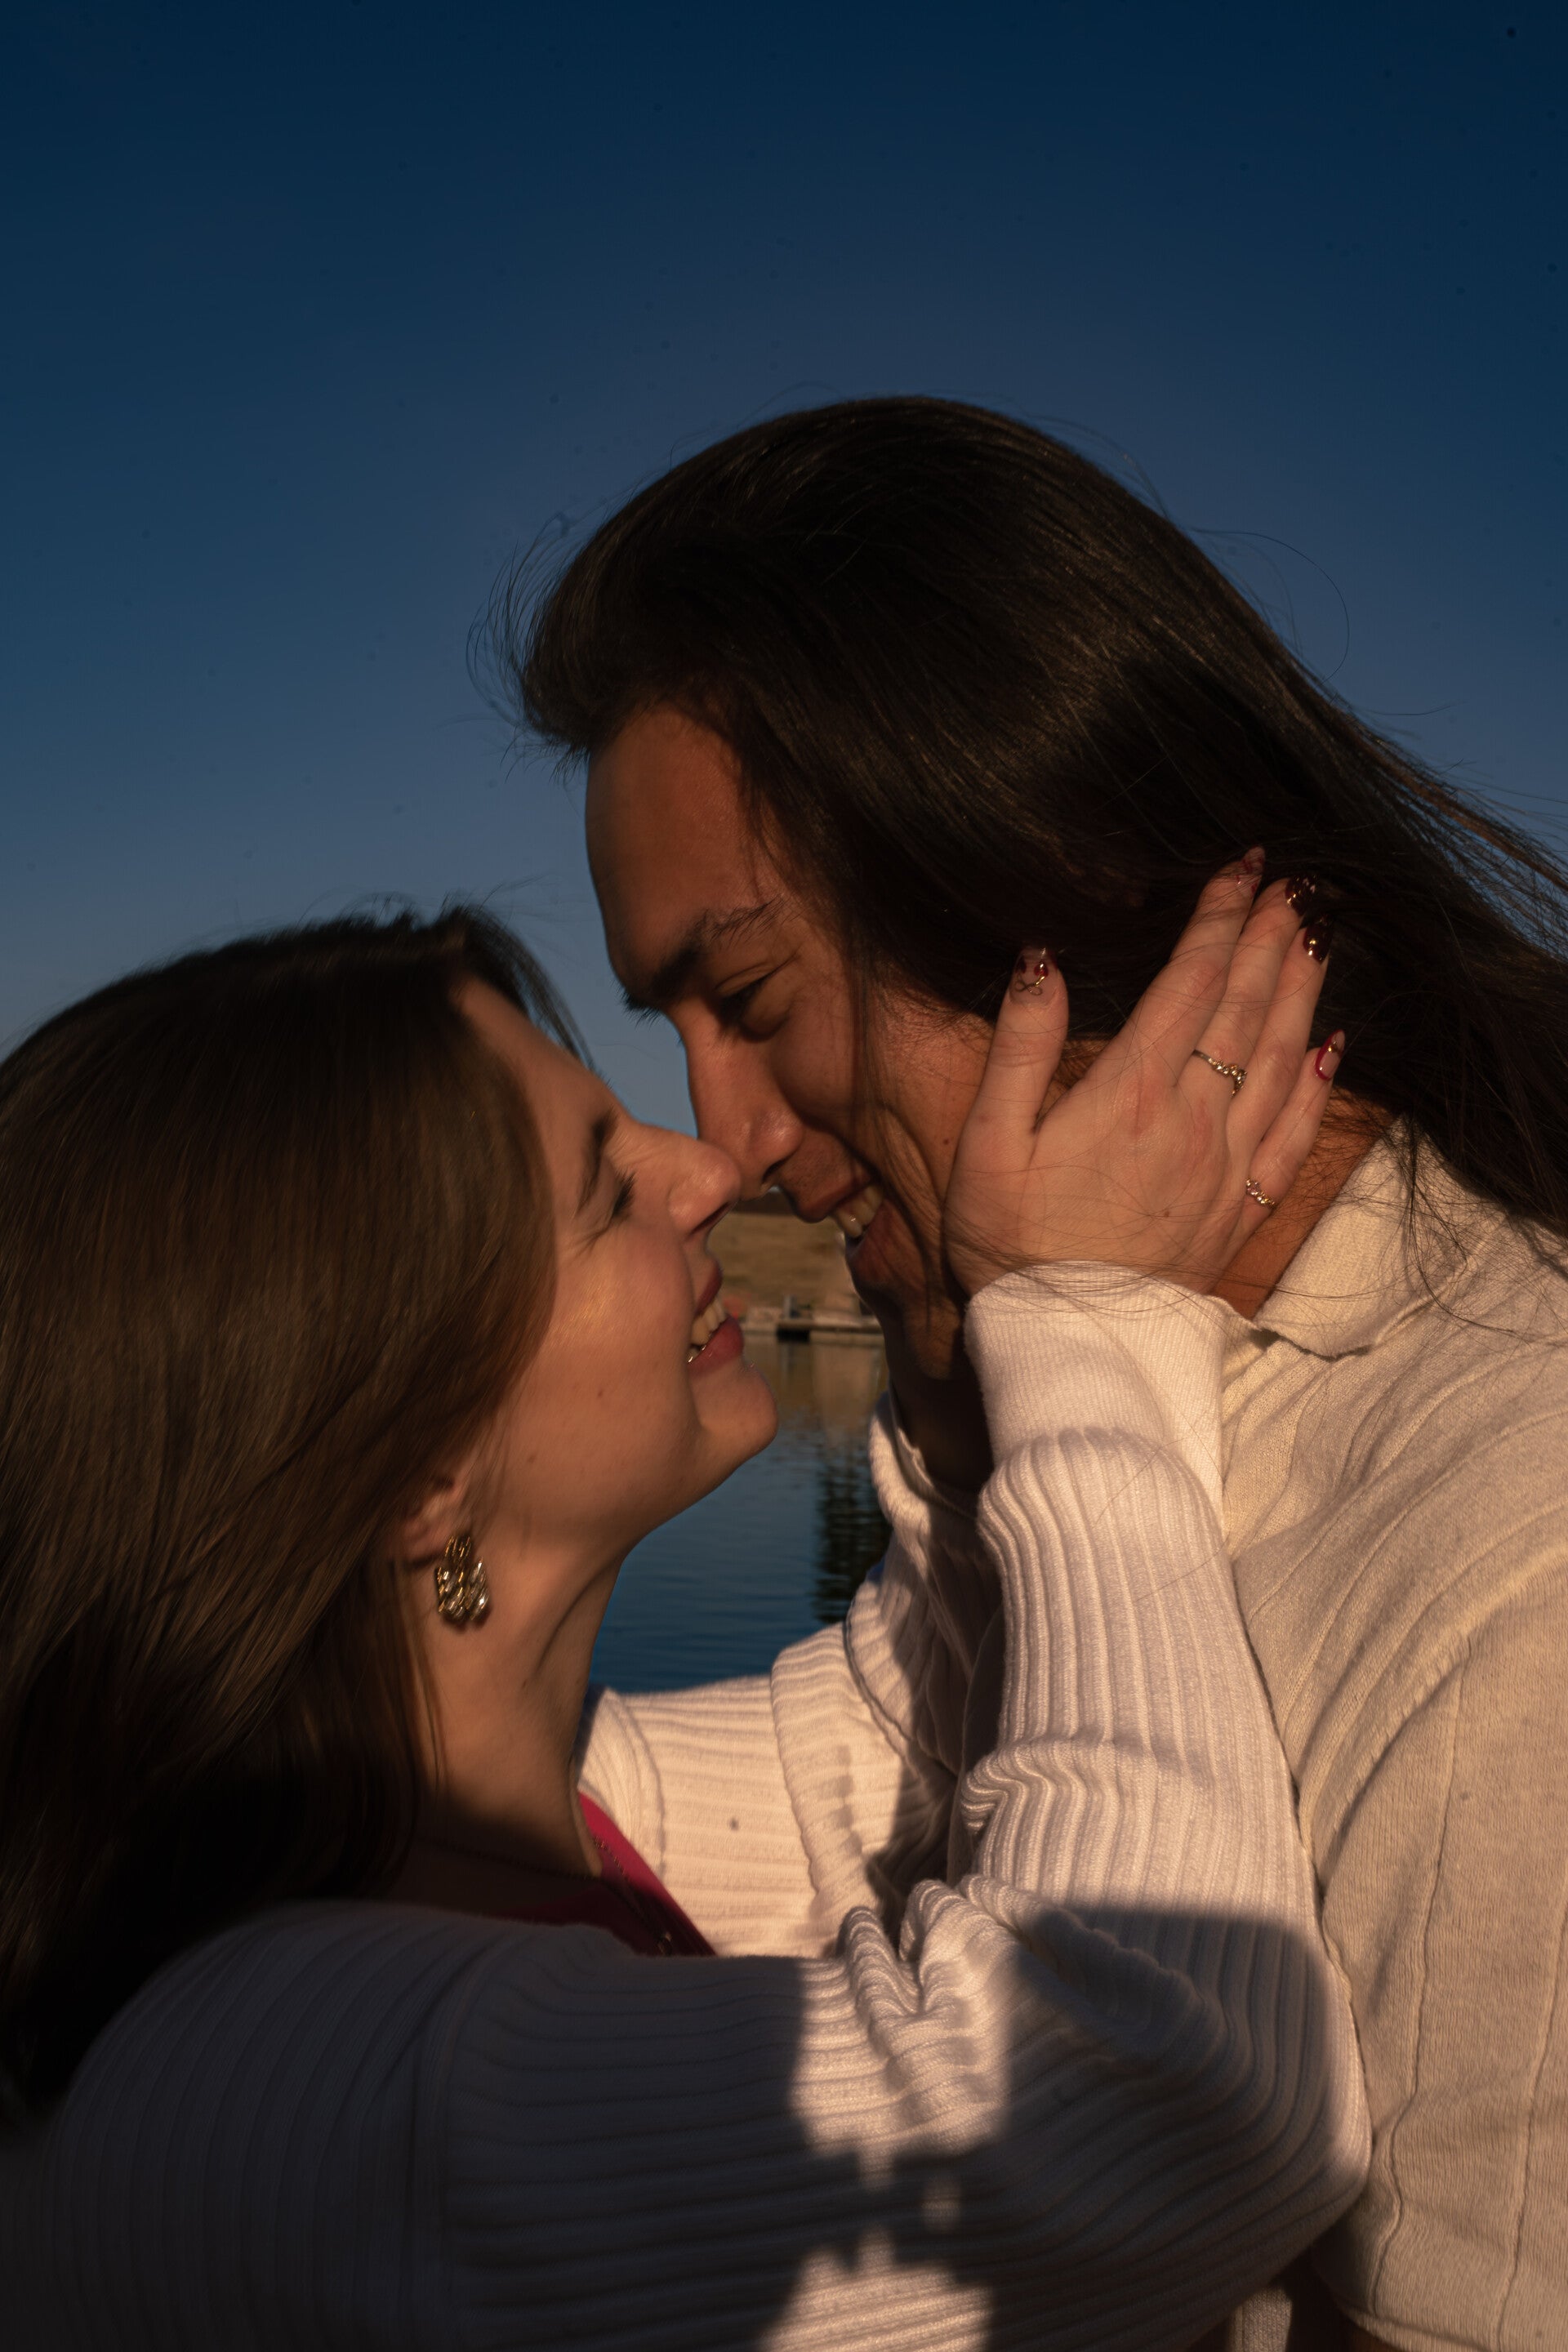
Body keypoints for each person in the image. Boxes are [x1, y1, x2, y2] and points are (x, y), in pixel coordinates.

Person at [510, 395, 1568, 2352]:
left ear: (1049, 876)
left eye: (749, 997)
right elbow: (860, 1766)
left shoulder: (1520, 1580)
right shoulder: (1051, 1403)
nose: (726, 1137)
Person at [0, 898, 1364, 2346]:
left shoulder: (473, 1833)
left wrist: (971, 1344)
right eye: (605, 1195)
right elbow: (1173, 2091)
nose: (710, 1171)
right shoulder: (301, 2095)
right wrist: (1087, 1315)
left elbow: (885, 1735)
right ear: (416, 1471)